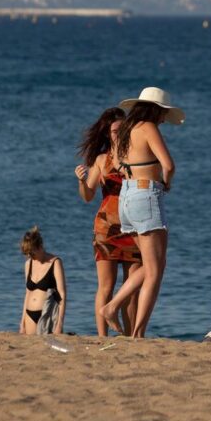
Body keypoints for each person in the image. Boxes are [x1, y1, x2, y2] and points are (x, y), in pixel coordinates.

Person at [99, 87, 182, 338]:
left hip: (126, 196)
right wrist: (167, 181)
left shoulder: (124, 130)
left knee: (152, 264)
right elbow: (168, 164)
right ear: (154, 109)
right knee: (155, 271)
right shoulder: (147, 127)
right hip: (146, 195)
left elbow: (119, 165)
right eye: (162, 114)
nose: (162, 120)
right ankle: (133, 329)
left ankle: (120, 313)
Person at [75, 106, 143, 336]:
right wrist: (82, 182)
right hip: (107, 228)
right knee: (106, 286)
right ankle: (102, 336)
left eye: (123, 129)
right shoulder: (102, 160)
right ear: (107, 133)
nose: (119, 133)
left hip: (133, 226)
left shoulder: (135, 155)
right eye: (115, 131)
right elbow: (88, 196)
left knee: (131, 289)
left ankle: (131, 335)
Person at [19, 227, 67, 335]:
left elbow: (62, 294)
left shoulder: (55, 262)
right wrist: (22, 322)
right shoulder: (28, 264)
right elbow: (27, 293)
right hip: (29, 316)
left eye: (32, 253)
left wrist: (59, 324)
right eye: (28, 254)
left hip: (47, 313)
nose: (30, 257)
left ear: (40, 247)